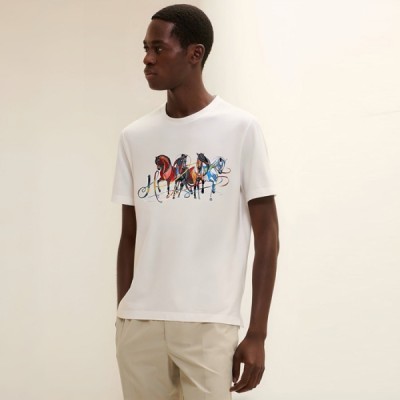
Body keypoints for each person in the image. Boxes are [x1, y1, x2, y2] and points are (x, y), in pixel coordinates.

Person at [111, 4, 279, 399]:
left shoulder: (240, 129)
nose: (147, 59)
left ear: (194, 53)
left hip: (208, 324)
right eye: (145, 49)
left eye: (158, 48)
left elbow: (268, 236)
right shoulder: (134, 137)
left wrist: (257, 332)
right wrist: (122, 315)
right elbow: (129, 236)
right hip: (139, 326)